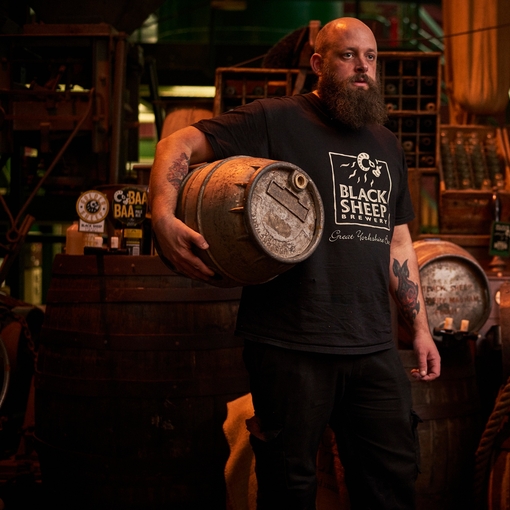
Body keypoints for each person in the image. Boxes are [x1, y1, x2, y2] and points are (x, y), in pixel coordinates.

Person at [149, 17, 441, 510]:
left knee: (391, 485)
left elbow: (398, 242)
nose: (362, 67)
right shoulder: (275, 119)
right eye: (348, 55)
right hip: (290, 343)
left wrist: (421, 328)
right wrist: (160, 215)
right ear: (319, 63)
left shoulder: (386, 144)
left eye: (370, 57)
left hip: (371, 346)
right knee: (289, 488)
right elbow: (175, 144)